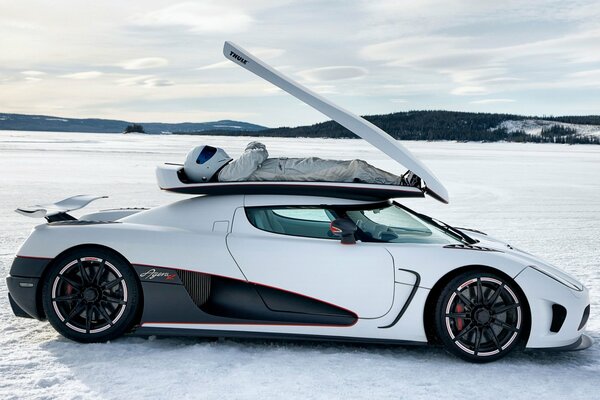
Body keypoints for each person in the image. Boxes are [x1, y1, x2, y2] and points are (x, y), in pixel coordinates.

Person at [183, 142, 420, 187]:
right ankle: (400, 182)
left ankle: (396, 181)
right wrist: (251, 148)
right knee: (355, 168)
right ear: (203, 168)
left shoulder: (229, 171)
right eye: (206, 156)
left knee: (352, 168)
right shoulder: (226, 175)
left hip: (296, 168)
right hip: (298, 173)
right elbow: (257, 152)